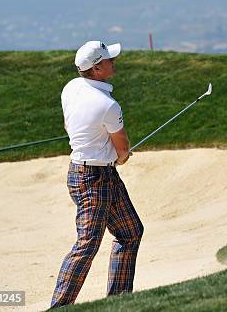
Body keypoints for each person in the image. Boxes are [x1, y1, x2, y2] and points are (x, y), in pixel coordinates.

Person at [50, 41, 144, 308]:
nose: (114, 61)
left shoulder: (71, 87)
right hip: (94, 179)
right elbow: (123, 149)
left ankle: (118, 302)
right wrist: (122, 157)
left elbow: (69, 125)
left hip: (89, 173)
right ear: (97, 68)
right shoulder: (108, 105)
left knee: (130, 232)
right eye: (109, 59)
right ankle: (58, 307)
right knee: (87, 244)